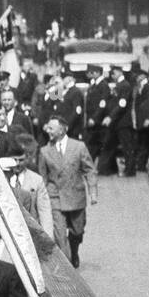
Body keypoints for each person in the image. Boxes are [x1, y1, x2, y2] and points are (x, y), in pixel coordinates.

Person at [37, 115, 98, 268]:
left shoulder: (79, 147)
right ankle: (68, 266)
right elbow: (42, 178)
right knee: (59, 236)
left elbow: (90, 170)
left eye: (51, 128)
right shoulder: (44, 151)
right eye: (47, 127)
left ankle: (75, 250)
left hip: (76, 197)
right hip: (55, 197)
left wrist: (93, 192)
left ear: (62, 129)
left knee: (77, 231)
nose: (47, 130)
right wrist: (41, 200)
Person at [0, 150, 55, 238]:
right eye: (14, 160)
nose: (17, 164)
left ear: (27, 159)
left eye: (21, 160)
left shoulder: (36, 180)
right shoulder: (1, 179)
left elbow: (44, 211)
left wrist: (48, 237)